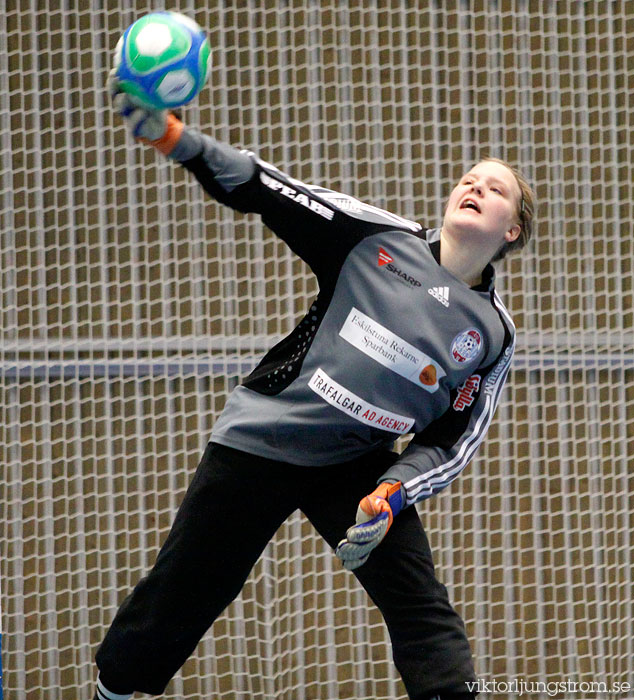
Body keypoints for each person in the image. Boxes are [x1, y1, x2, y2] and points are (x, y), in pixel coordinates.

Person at [93, 73, 535, 700]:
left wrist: (395, 490)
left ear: (510, 230)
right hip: (267, 435)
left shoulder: (491, 334)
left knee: (421, 603)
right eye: (469, 177)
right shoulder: (377, 239)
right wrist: (176, 138)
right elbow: (273, 190)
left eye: (495, 190)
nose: (474, 186)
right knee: (187, 589)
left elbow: (452, 439)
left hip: (358, 469)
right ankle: (114, 690)